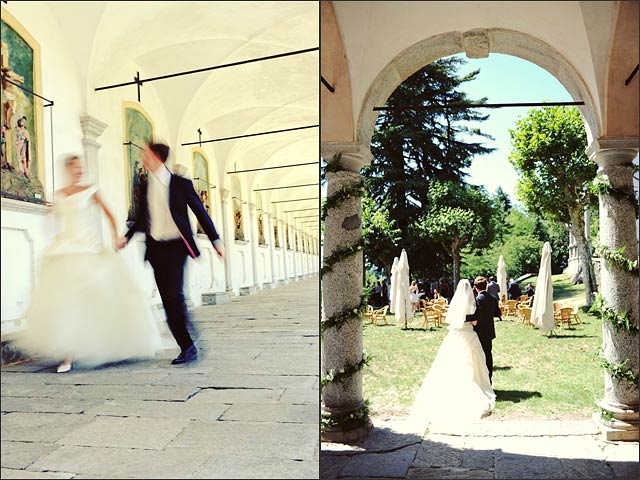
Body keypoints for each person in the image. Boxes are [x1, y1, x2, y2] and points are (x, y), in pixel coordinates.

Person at [14, 155, 163, 373]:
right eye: (75, 168)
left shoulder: (90, 189)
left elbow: (110, 214)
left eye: (81, 167)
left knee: (88, 299)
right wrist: (51, 236)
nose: (79, 171)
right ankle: (67, 354)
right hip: (65, 248)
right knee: (65, 302)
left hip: (87, 247)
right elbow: (54, 218)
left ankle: (96, 344)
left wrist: (115, 235)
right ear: (67, 169)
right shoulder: (59, 194)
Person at [117, 142, 224, 365]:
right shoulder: (146, 186)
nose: (143, 158)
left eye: (145, 154)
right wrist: (126, 237)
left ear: (157, 157)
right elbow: (141, 218)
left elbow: (199, 210)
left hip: (177, 247)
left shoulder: (180, 184)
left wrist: (215, 239)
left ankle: (188, 345)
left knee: (175, 296)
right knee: (168, 299)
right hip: (156, 248)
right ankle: (188, 344)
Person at [408, 279, 496, 428]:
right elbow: (474, 322)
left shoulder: (455, 304)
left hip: (456, 335)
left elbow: (452, 320)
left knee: (452, 360)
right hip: (469, 335)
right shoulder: (473, 303)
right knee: (474, 360)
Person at [467, 276, 499, 383]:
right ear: (486, 286)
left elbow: (475, 317)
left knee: (479, 356)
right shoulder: (492, 299)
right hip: (489, 331)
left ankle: (482, 379)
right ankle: (489, 378)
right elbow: (497, 313)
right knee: (488, 355)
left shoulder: (477, 300)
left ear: (475, 287)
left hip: (479, 332)